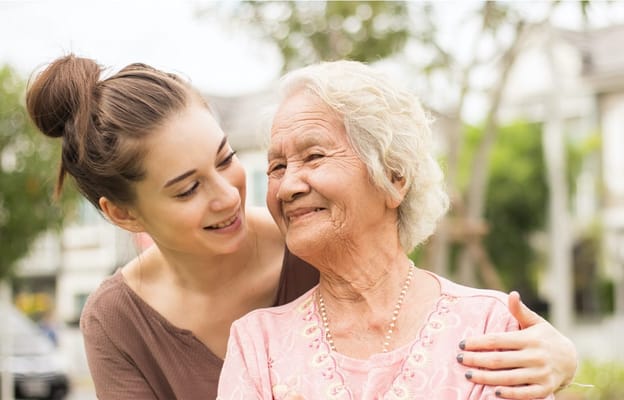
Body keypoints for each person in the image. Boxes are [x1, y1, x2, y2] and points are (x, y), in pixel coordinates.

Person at [25, 55, 576, 400]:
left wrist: (563, 361)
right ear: (124, 214)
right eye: (187, 188)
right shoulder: (127, 321)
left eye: (225, 159)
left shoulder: (321, 240)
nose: (229, 195)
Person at [216, 60, 559, 400]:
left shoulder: (489, 327)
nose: (287, 185)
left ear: (395, 177)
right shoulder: (258, 345)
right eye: (277, 166)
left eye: (314, 156)